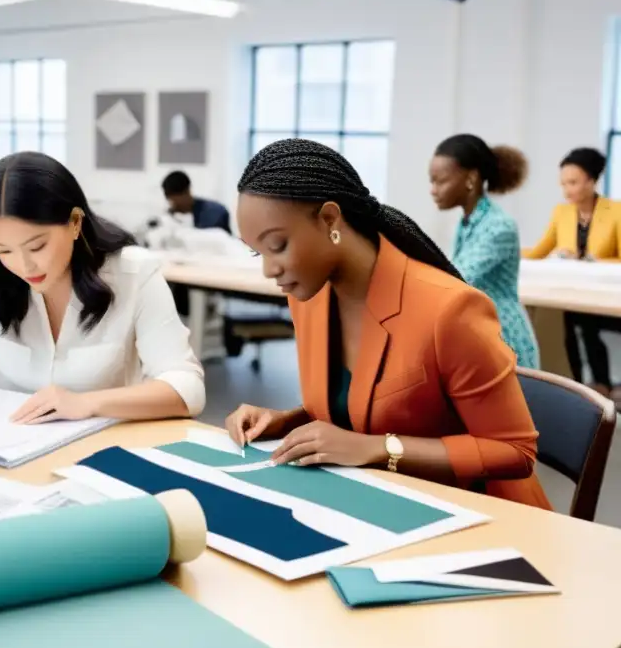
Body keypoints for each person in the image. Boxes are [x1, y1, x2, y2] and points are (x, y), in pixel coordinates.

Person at [225, 138, 550, 510]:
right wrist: (284, 421)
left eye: (278, 246)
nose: (269, 270)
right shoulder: (310, 297)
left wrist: (377, 448)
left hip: (477, 513)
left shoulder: (449, 309)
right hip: (383, 501)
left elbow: (515, 451)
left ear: (330, 219)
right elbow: (364, 404)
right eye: (258, 252)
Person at [0, 151, 205, 424]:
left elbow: (186, 386)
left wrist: (87, 403)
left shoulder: (134, 274)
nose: (23, 266)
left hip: (103, 456)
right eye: (4, 250)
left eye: (37, 246)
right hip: (9, 451)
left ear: (75, 222)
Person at [429, 134, 539, 369]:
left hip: (504, 337)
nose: (433, 190)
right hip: (481, 332)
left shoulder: (499, 226)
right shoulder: (467, 221)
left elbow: (457, 277)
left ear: (470, 179)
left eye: (440, 181)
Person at [525, 147, 621, 397]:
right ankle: (579, 384)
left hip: (604, 295)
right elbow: (539, 251)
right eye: (563, 183)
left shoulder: (615, 211)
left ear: (592, 181)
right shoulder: (562, 212)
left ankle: (602, 382)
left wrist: (593, 261)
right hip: (573, 293)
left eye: (573, 182)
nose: (567, 189)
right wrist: (505, 249)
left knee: (587, 326)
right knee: (567, 325)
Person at [161, 171, 231, 233]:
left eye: (175, 202)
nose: (173, 205)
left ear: (187, 192)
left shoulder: (214, 212)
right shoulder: (170, 215)